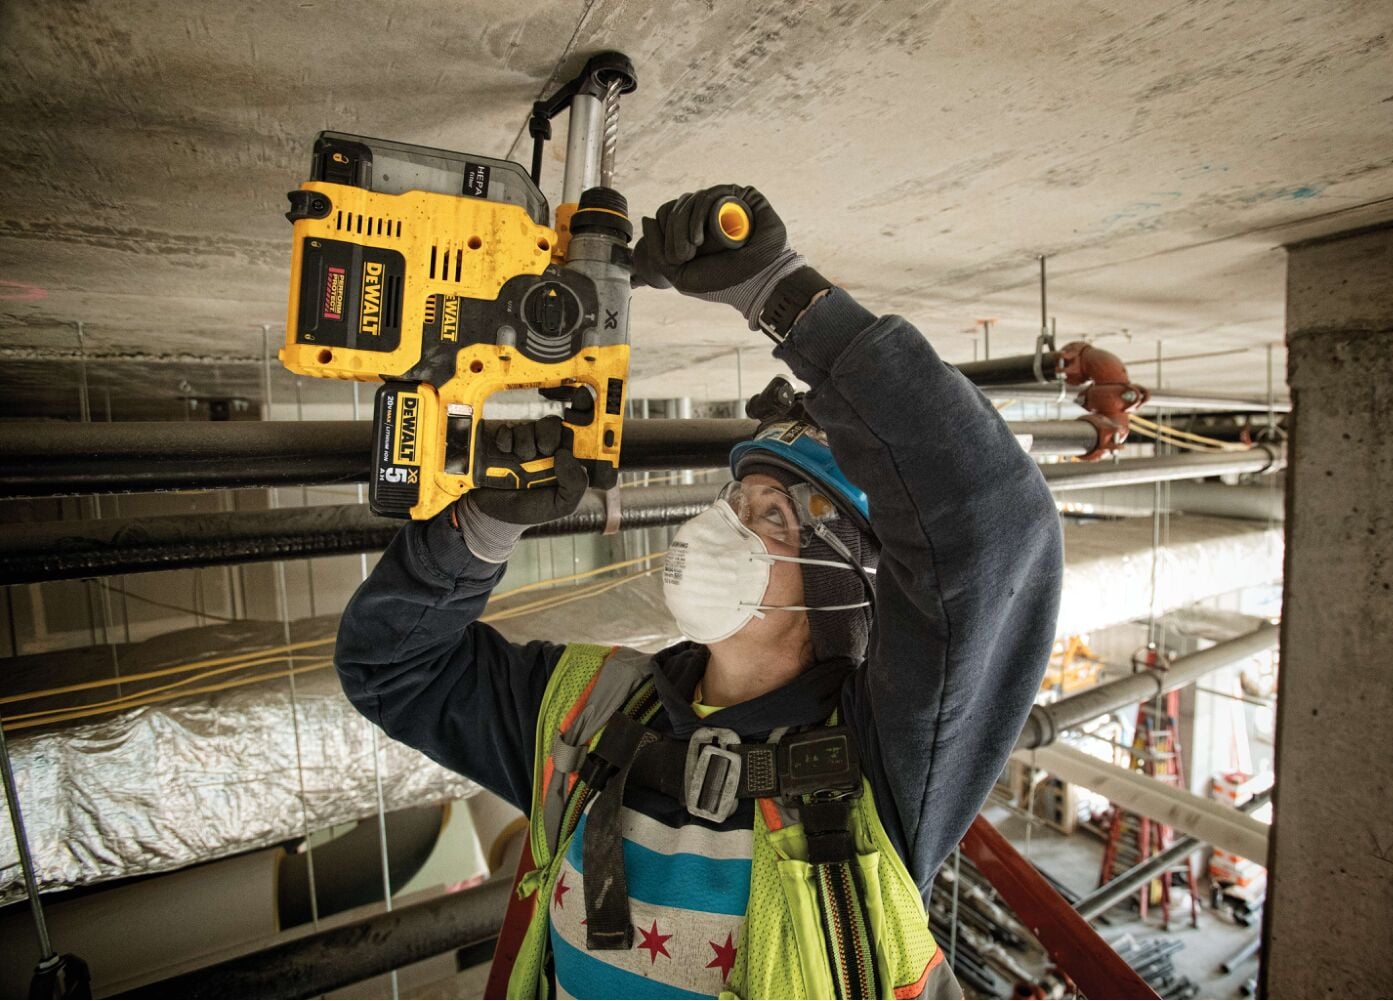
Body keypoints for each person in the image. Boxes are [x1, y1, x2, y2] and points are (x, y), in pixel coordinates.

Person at [335, 185, 1063, 999]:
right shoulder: (589, 714)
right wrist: (478, 528)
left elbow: (996, 522)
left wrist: (784, 296)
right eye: (733, 502)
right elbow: (392, 668)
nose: (722, 527)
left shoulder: (882, 771)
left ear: (842, 581)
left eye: (772, 514)